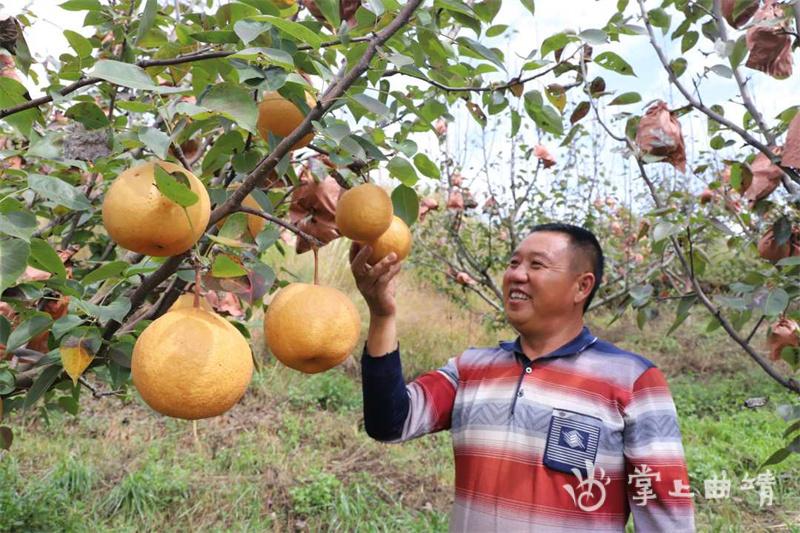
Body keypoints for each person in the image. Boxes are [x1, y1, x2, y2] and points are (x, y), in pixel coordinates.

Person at [350, 222, 695, 532]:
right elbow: (389, 422)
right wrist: (382, 315)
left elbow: (665, 514)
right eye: (514, 263)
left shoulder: (633, 381)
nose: (516, 274)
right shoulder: (471, 368)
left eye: (537, 265)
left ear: (581, 286)